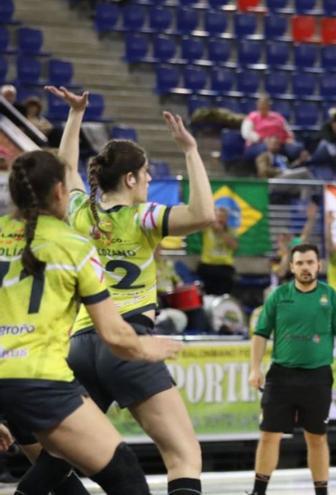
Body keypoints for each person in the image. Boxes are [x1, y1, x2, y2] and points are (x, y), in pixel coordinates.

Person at [46, 85, 216, 495]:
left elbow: (65, 169)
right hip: (127, 341)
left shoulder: (80, 212)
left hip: (81, 344)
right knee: (183, 455)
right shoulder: (142, 218)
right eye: (146, 173)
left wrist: (74, 117)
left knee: (61, 459)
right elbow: (204, 214)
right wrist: (191, 151)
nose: (150, 179)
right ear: (129, 178)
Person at [0, 149, 182, 495]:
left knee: (59, 476)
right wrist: (144, 348)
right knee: (124, 476)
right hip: (39, 379)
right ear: (58, 193)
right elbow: (113, 334)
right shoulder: (75, 246)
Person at [248, 243, 336, 495]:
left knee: (316, 438)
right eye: (300, 263)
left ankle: (321, 492)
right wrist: (255, 369)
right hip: (281, 376)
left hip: (317, 378)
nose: (305, 267)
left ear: (319, 265)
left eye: (310, 262)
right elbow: (260, 334)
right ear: (292, 267)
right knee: (268, 436)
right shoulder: (278, 296)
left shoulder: (331, 297)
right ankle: (258, 491)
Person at [242, 95, 309, 169]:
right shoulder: (252, 117)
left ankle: (296, 169)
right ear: (257, 106)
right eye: (261, 105)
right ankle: (272, 171)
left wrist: (289, 138)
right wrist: (262, 139)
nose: (263, 107)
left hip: (280, 144)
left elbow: (288, 131)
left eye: (265, 105)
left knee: (297, 148)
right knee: (268, 148)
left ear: (269, 106)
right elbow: (246, 133)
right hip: (258, 145)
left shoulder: (278, 117)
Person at [197, 206, 239, 296]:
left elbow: (234, 246)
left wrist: (221, 232)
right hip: (208, 266)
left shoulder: (231, 231)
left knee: (225, 292)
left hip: (224, 267)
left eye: (223, 217)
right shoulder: (207, 229)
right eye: (218, 216)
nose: (220, 219)